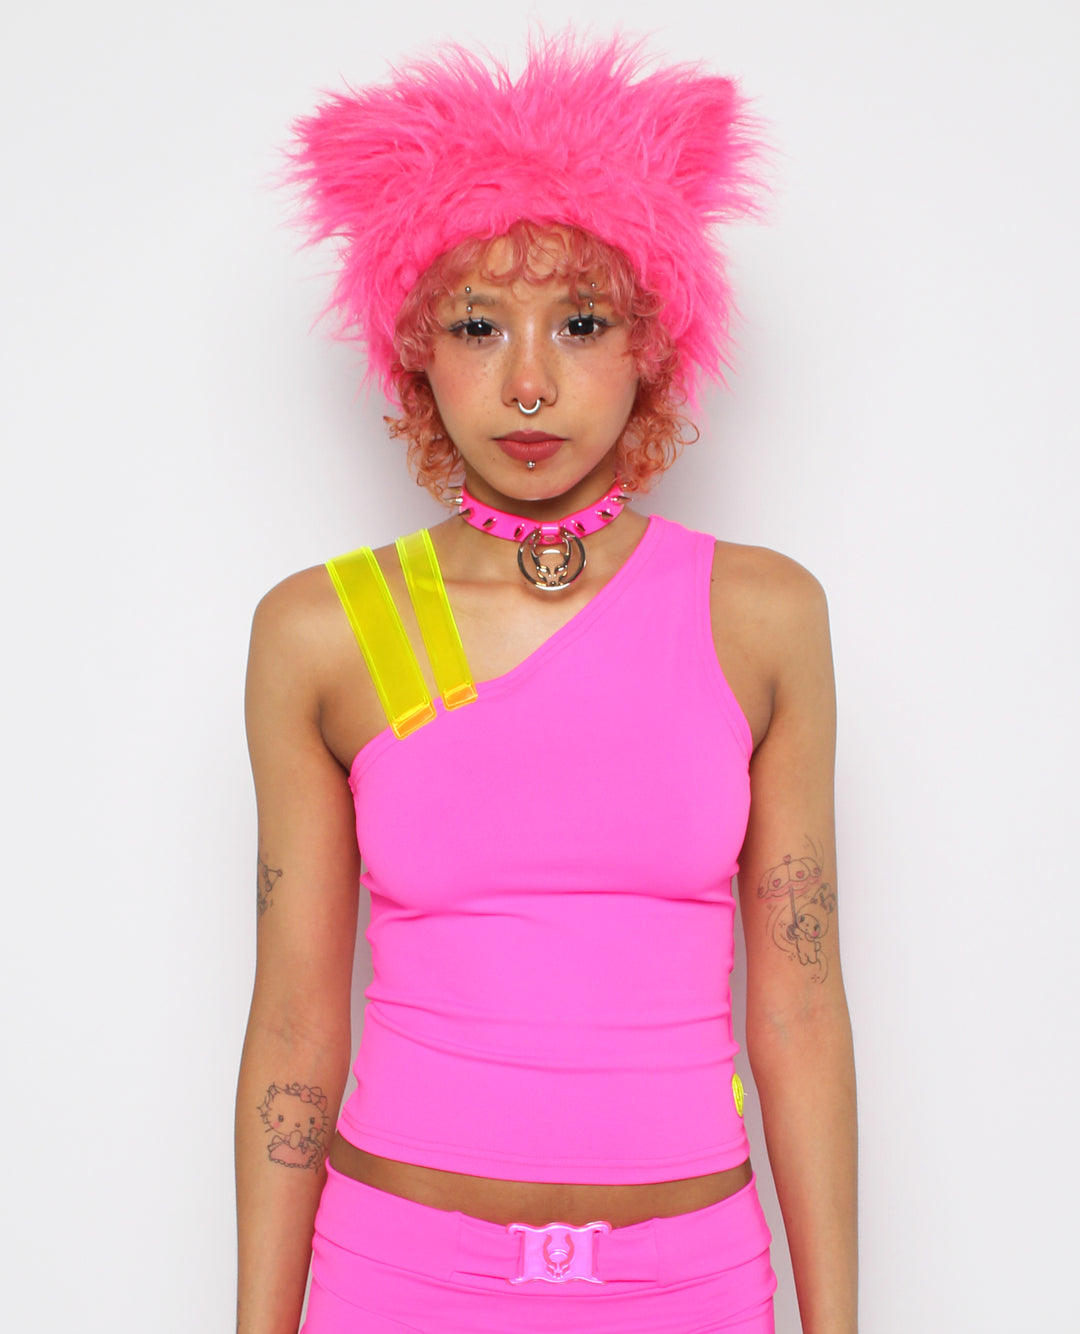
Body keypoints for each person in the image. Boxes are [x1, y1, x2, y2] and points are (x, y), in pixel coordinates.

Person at [235, 31, 857, 1334]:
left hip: (687, 1285)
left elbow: (799, 1005)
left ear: (654, 341)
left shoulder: (758, 617)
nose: (529, 381)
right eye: (479, 325)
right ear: (416, 347)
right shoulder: (331, 633)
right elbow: (294, 1027)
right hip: (398, 1280)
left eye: (582, 322)